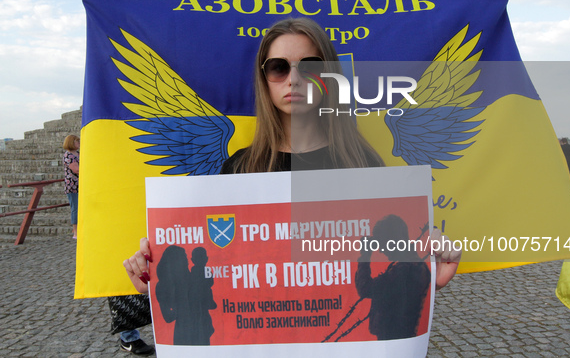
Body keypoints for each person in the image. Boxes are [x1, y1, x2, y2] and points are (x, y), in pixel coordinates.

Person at [124, 17, 461, 307]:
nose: (294, 79)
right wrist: (161, 283)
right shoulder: (238, 169)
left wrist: (428, 276)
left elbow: (382, 268)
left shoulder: (363, 162)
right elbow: (222, 272)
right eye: (278, 67)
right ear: (264, 79)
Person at [62, 135, 79, 239]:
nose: (79, 143)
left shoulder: (77, 154)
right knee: (75, 208)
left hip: (80, 185)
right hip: (73, 185)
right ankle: (75, 232)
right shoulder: (68, 155)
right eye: (77, 142)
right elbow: (76, 169)